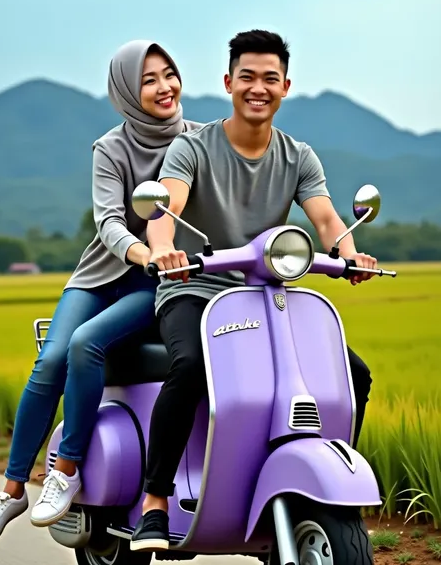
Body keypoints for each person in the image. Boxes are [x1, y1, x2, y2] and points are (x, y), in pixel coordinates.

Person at [129, 29, 376, 552]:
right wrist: (165, 250)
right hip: (193, 289)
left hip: (265, 294)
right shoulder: (191, 148)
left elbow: (327, 218)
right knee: (192, 367)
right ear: (228, 82)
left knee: (352, 373)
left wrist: (349, 253)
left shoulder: (298, 156)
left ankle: (313, 489)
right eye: (247, 77)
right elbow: (163, 212)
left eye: (270, 78)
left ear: (286, 86)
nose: (258, 88)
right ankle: (154, 500)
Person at [0, 40, 201, 548]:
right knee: (50, 359)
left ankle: (66, 469)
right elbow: (109, 222)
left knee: (85, 345)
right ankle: (11, 490)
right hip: (102, 273)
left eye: (170, 74)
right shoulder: (110, 148)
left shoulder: (201, 140)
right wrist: (143, 252)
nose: (165, 87)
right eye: (149, 79)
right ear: (125, 91)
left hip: (155, 284)